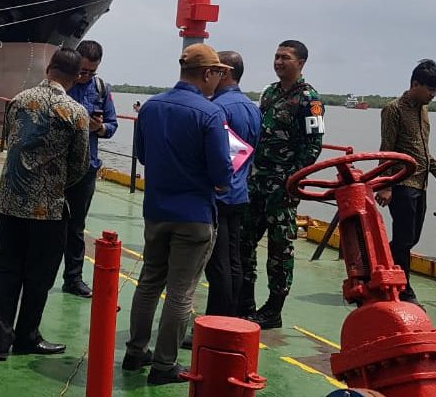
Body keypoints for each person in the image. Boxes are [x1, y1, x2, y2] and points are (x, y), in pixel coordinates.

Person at [122, 43, 232, 385]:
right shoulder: (210, 114)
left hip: (156, 211)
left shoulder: (151, 107)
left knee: (149, 281)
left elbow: (142, 154)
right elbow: (221, 174)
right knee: (181, 292)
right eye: (218, 73)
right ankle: (164, 365)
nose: (218, 80)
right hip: (194, 215)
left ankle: (136, 351)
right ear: (208, 73)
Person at [0, 48, 90, 361]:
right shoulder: (75, 112)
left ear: (49, 68)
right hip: (48, 207)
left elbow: (11, 140)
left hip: (10, 202)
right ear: (76, 77)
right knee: (40, 275)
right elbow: (80, 164)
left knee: (6, 270)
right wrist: (54, 183)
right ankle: (27, 336)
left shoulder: (19, 100)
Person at [239, 40, 324, 329]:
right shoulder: (270, 93)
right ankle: (245, 302)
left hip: (282, 188)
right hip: (257, 181)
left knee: (279, 249)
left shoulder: (310, 99)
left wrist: (292, 180)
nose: (278, 62)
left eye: (285, 58)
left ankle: (273, 309)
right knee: (244, 241)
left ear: (300, 63)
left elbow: (313, 146)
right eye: (276, 57)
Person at [375, 59, 436, 306]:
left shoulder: (423, 110)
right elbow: (387, 148)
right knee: (404, 239)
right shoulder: (393, 109)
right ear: (415, 84)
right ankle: (404, 290)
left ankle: (381, 265)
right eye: (430, 89)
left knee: (411, 238)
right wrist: (385, 185)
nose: (433, 94)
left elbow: (422, 148)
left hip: (421, 183)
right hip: (401, 183)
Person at [205, 51, 261, 317]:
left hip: (218, 195)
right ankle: (232, 315)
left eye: (213, 70)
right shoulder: (253, 108)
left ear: (224, 73)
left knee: (217, 264)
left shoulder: (217, 109)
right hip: (239, 193)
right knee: (233, 260)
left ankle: (217, 319)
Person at [63, 40, 118, 298]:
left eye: (91, 72)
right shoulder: (63, 85)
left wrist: (101, 128)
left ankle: (73, 279)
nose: (85, 76)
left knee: (76, 226)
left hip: (86, 167)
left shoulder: (101, 89)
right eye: (82, 71)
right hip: (58, 167)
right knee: (48, 225)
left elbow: (112, 125)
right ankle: (39, 274)